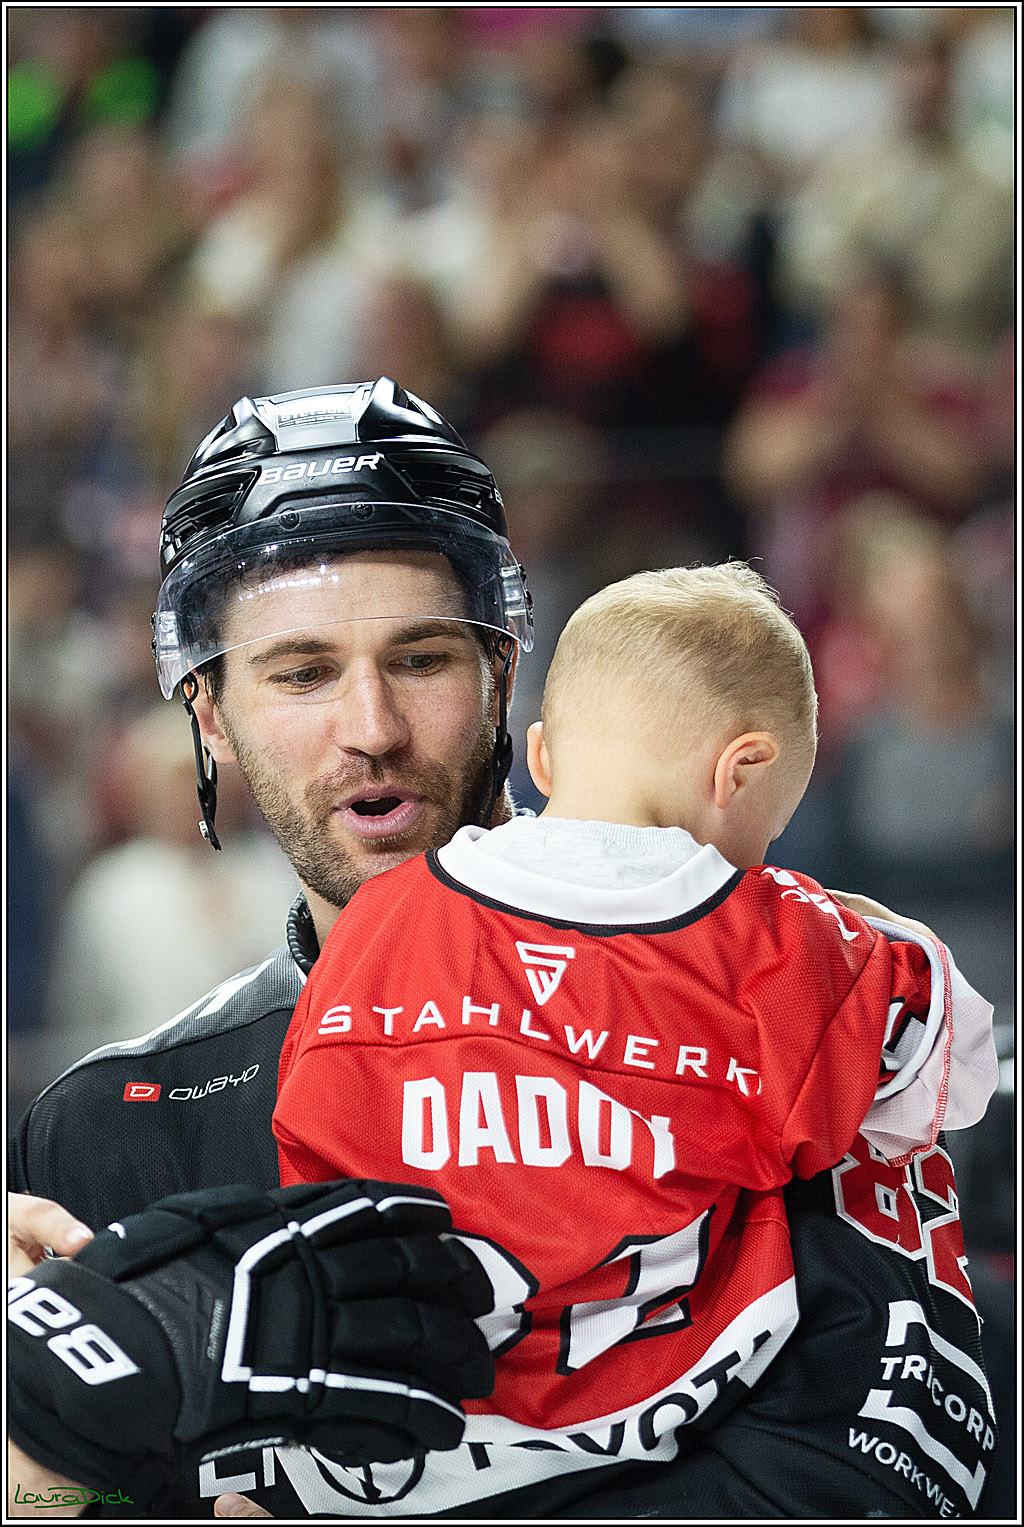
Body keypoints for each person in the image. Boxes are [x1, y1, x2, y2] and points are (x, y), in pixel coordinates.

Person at [8, 380, 1000, 1519]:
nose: (371, 728)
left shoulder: (771, 995)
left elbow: (886, 1479)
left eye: (422, 659)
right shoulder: (108, 1126)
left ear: (504, 669)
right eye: (301, 673)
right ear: (209, 713)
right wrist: (31, 1441)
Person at [273, 562, 997, 1509]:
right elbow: (964, 1061)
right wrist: (858, 923)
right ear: (742, 772)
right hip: (656, 1442)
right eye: (769, 827)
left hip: (384, 1455)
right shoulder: (777, 940)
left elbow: (307, 1135)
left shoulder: (378, 919)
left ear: (540, 756)